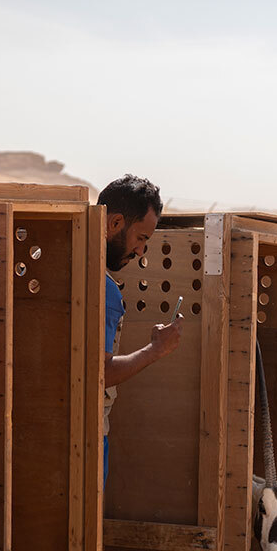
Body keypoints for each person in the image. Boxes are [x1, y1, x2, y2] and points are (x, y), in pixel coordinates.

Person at [98, 175, 183, 480]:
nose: (141, 251)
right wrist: (156, 350)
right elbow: (101, 373)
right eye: (141, 238)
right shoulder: (104, 291)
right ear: (115, 223)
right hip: (89, 437)